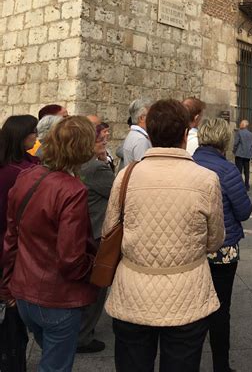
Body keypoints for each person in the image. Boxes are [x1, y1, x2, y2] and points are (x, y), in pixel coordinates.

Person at [103, 99, 225, 372]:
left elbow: (108, 230)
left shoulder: (126, 176)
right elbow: (215, 239)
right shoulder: (206, 179)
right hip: (187, 294)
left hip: (132, 292)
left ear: (151, 133)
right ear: (185, 134)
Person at [2, 116, 98, 372]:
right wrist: (97, 269)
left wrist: (6, 285)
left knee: (51, 358)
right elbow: (71, 258)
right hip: (57, 297)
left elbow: (11, 237)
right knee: (55, 366)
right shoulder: (72, 190)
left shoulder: (26, 176)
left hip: (24, 291)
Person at [194, 118, 252, 372]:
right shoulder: (228, 171)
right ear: (224, 141)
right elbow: (244, 210)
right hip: (223, 250)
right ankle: (221, 365)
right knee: (220, 309)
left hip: (192, 249)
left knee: (192, 308)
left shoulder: (190, 164)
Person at [0, 115, 40, 369]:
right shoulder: (15, 173)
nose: (36, 136)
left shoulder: (26, 165)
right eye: (32, 132)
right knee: (12, 323)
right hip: (11, 248)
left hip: (14, 246)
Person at [76, 125, 115, 354]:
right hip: (98, 232)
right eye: (99, 140)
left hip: (87, 230)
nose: (104, 142)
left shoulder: (82, 165)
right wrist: (104, 163)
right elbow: (116, 189)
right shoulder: (95, 168)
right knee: (97, 287)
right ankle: (83, 336)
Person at [121, 98, 151, 167]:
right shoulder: (141, 140)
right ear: (141, 118)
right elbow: (143, 169)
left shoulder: (134, 134)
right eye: (150, 115)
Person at [233, 120, 252, 190]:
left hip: (239, 154)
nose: (239, 124)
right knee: (246, 170)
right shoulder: (251, 134)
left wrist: (234, 151)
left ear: (243, 125)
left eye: (240, 123)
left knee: (238, 170)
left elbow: (236, 143)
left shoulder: (239, 132)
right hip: (247, 154)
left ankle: (239, 186)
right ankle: (247, 185)